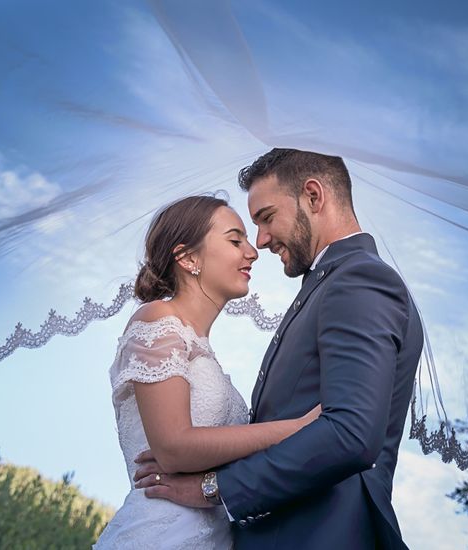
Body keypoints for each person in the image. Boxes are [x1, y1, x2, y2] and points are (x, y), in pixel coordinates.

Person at [134, 149, 425, 549]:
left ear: (314, 196)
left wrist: (212, 488)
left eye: (267, 217)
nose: (260, 241)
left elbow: (351, 433)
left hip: (320, 534)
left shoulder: (359, 279)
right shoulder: (325, 286)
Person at [93, 195, 321, 549]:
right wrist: (295, 429)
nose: (253, 252)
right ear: (187, 257)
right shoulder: (157, 320)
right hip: (162, 535)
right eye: (235, 240)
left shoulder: (202, 350)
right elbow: (172, 448)